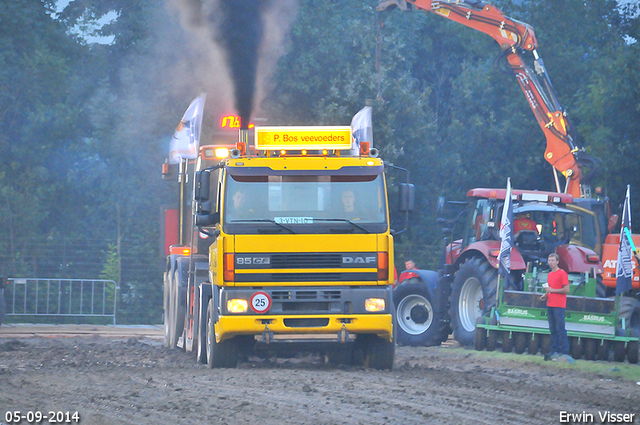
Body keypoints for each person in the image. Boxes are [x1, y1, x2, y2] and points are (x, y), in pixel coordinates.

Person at [540, 253, 574, 363]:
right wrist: (545, 295)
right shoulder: (550, 274)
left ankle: (564, 352)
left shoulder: (562, 273)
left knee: (560, 329)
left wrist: (552, 291)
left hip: (559, 305)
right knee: (552, 329)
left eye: (552, 260)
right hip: (550, 304)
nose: (550, 262)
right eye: (549, 260)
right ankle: (554, 351)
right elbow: (551, 289)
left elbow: (566, 290)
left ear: (557, 262)